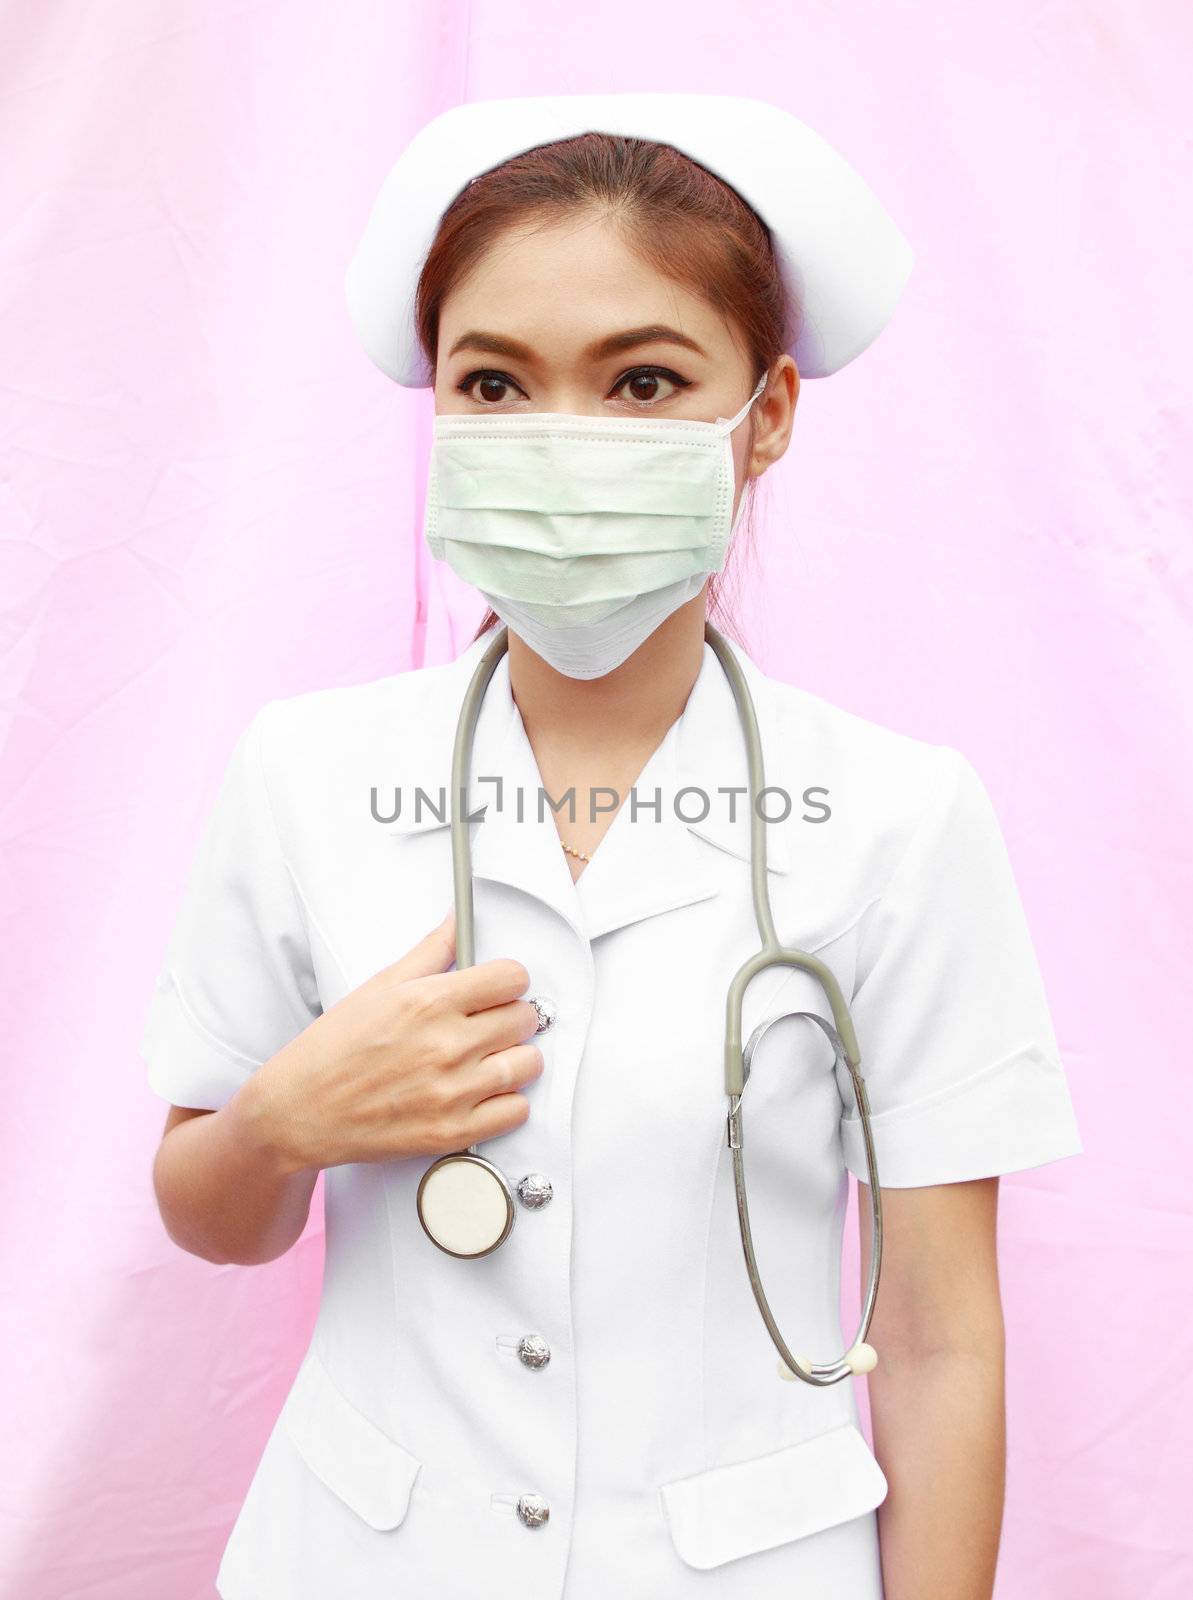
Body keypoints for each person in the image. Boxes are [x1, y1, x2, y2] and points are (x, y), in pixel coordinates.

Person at [143, 93, 1083, 1600]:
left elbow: (935, 1338)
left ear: (763, 413)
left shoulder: (901, 817)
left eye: (641, 382)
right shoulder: (304, 774)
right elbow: (210, 1214)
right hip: (366, 1559)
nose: (561, 441)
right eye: (496, 385)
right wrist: (282, 1122)